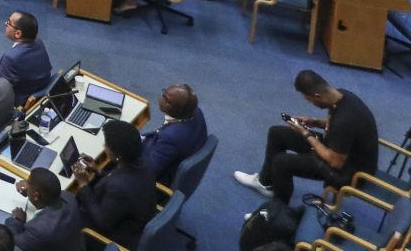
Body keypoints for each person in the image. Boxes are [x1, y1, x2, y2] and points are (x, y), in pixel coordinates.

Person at [233, 69, 379, 204]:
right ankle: (265, 183)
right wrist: (314, 122)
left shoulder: (345, 121)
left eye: (309, 99)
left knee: (281, 162)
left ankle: (278, 210)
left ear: (317, 96)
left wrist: (306, 133)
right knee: (276, 133)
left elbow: (335, 162)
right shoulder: (342, 96)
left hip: (349, 173)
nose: (310, 102)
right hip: (340, 150)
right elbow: (333, 123)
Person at [73, 120, 157, 250]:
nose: (104, 146)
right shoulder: (144, 163)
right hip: (135, 216)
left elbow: (102, 222)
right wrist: (98, 170)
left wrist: (84, 184)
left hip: (115, 236)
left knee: (67, 202)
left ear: (116, 154)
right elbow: (121, 179)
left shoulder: (118, 188)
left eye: (106, 144)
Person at [140, 84, 208, 186]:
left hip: (155, 182)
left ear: (178, 110)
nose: (161, 99)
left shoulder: (171, 137)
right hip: (167, 152)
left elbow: (147, 172)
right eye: (164, 94)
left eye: (167, 100)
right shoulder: (195, 112)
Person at [6, 167, 84, 251]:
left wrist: (17, 220)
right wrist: (30, 192)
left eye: (28, 182)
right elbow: (47, 192)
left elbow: (12, 240)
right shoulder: (69, 198)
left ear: (36, 195)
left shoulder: (37, 230)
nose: (25, 183)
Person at [0, 10, 52, 104]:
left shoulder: (10, 57)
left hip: (16, 101)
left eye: (9, 22)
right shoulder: (39, 43)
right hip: (37, 91)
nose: (5, 23)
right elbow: (25, 69)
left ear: (18, 34)